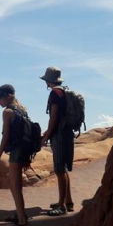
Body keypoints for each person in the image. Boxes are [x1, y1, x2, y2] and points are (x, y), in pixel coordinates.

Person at [0, 84, 30, 226]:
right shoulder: (22, 109)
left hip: (16, 151)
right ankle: (21, 214)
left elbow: (5, 137)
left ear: (8, 95)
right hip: (24, 150)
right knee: (14, 183)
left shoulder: (7, 112)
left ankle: (22, 222)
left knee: (15, 185)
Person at [40, 67, 74, 216]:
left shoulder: (55, 93)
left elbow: (54, 117)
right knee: (63, 169)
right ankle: (68, 201)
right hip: (67, 132)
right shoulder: (64, 91)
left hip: (59, 134)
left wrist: (47, 135)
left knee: (60, 170)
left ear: (48, 80)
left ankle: (61, 206)